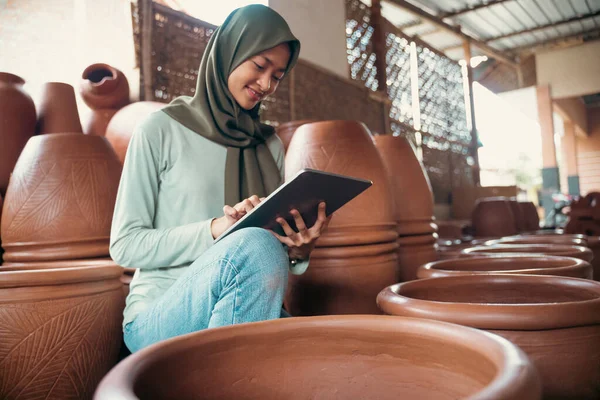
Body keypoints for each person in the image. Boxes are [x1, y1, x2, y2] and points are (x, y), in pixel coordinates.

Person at [110, 4, 330, 353]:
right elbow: (125, 245)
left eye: (277, 75)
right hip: (161, 315)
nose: (266, 84)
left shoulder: (269, 145)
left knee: (332, 349)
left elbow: (269, 259)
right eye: (259, 66)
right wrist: (215, 229)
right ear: (230, 52)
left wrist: (299, 249)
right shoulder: (161, 129)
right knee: (253, 244)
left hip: (242, 310)